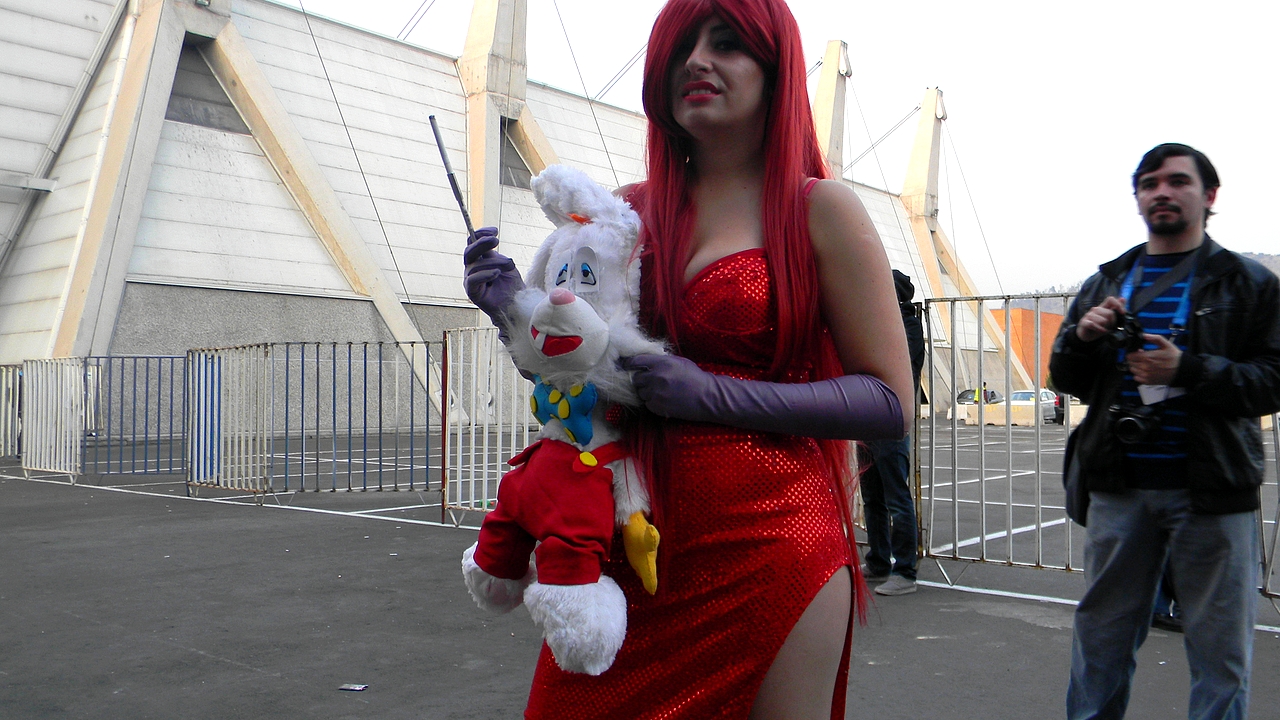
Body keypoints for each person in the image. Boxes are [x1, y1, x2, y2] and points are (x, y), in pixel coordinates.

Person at [463, 0, 912, 716]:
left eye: (727, 43)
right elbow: (578, 373)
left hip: (774, 550)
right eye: (682, 46)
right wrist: (514, 315)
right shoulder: (619, 216)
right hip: (627, 552)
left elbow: (889, 402)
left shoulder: (820, 209)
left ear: (775, 71)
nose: (697, 60)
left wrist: (713, 394)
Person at [1050, 143, 1280, 719]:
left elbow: (1273, 381)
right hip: (1119, 485)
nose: (1162, 192)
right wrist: (1081, 339)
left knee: (1221, 653)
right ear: (1137, 198)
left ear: (1209, 194)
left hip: (1213, 490)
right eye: (1149, 183)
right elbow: (1065, 378)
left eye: (1178, 181)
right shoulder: (1107, 281)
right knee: (1100, 642)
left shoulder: (1247, 283)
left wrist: (1190, 370)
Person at [860, 270, 925, 596]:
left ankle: (905, 572)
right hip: (868, 418)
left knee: (897, 497)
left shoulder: (907, 326)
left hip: (891, 418)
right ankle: (879, 560)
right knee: (872, 496)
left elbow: (896, 364)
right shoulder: (875, 321)